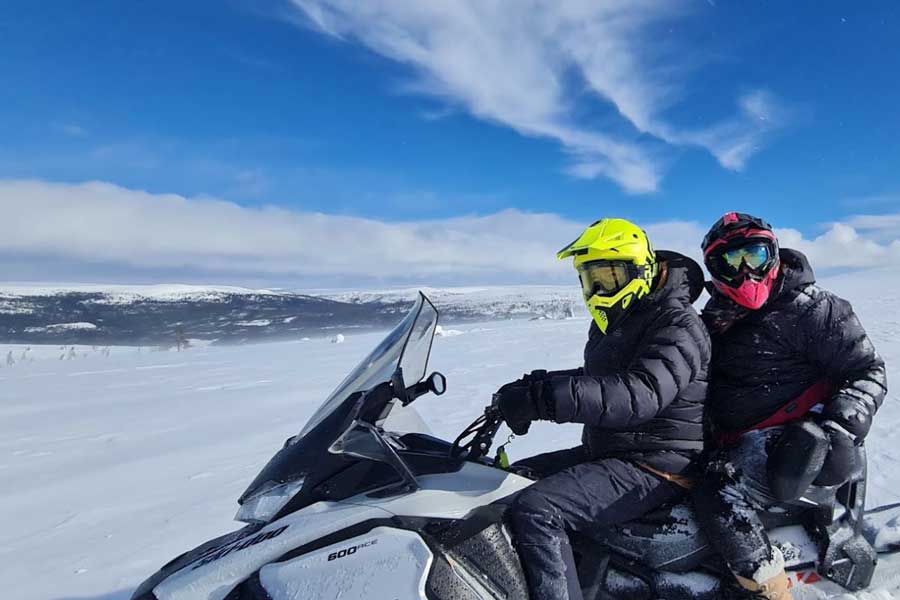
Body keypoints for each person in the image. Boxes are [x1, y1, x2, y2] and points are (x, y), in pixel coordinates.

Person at [494, 218, 711, 600]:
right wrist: (534, 386)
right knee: (511, 480)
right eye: (589, 279)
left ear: (641, 270)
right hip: (616, 452)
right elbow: (599, 377)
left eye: (609, 276)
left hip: (658, 465)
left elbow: (638, 394)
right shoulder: (623, 319)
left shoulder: (678, 324)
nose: (597, 289)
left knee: (538, 509)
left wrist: (546, 400)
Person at [691, 213, 887, 600]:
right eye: (730, 262)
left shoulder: (815, 309)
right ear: (714, 270)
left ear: (774, 255)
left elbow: (867, 370)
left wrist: (839, 427)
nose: (745, 271)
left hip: (797, 442)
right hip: (730, 436)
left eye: (755, 256)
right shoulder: (716, 320)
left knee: (719, 488)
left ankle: (767, 586)